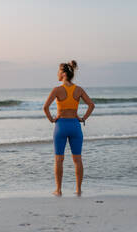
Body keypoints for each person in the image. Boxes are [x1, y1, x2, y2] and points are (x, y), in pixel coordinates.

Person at [43, 60, 95, 197]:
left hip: (61, 126)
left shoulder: (57, 90)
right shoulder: (79, 90)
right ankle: (78, 190)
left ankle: (58, 190)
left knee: (59, 159)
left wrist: (52, 119)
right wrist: (83, 118)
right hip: (75, 126)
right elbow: (91, 105)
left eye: (59, 72)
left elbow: (45, 107)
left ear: (63, 74)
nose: (57, 74)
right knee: (77, 159)